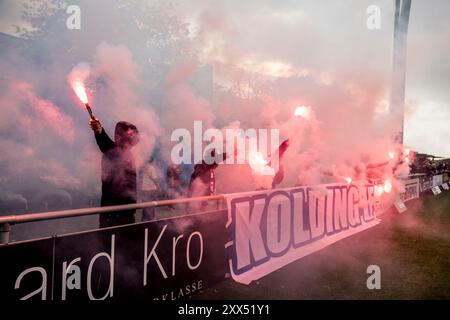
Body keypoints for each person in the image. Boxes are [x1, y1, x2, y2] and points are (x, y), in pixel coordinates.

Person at [90, 118, 140, 228]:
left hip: (126, 213)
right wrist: (99, 132)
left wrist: (132, 210)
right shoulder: (112, 152)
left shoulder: (129, 156)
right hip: (111, 213)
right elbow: (107, 145)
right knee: (108, 243)